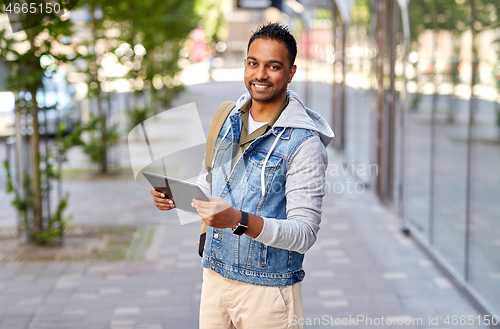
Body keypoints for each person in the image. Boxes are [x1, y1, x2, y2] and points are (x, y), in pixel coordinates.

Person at [151, 22, 334, 329]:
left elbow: (304, 234)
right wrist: (176, 196)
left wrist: (238, 220)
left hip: (268, 292)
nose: (260, 74)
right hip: (215, 276)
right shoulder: (227, 118)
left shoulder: (304, 144)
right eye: (253, 63)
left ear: (291, 73)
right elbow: (210, 184)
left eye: (273, 66)